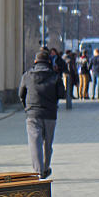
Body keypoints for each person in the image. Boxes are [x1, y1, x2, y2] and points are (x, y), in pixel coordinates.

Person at [19, 48, 65, 179]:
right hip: (50, 114)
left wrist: (27, 108)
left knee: (35, 143)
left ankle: (38, 171)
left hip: (33, 114)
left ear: (35, 61)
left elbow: (21, 94)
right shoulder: (55, 76)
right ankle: (45, 168)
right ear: (49, 62)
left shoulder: (27, 75)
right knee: (48, 144)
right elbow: (61, 94)